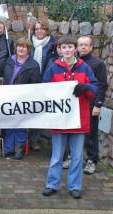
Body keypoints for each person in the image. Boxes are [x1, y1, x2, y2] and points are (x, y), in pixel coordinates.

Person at [42, 36, 98, 199]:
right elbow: (43, 88)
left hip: (79, 119)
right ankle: (52, 184)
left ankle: (75, 186)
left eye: (69, 47)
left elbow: (95, 87)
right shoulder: (54, 68)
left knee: (77, 155)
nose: (67, 50)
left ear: (75, 49)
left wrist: (85, 87)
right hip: (60, 119)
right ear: (60, 49)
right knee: (57, 155)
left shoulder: (84, 67)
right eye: (64, 47)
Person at [3, 37, 41, 160]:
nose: (21, 48)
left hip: (23, 99)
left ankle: (19, 148)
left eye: (24, 46)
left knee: (20, 124)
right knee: (9, 123)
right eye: (19, 46)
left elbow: (35, 84)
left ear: (28, 49)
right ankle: (9, 148)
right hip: (8, 97)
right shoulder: (10, 61)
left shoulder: (33, 65)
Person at [77, 36, 108, 175]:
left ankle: (91, 160)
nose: (83, 47)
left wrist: (98, 105)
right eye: (81, 45)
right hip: (75, 104)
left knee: (91, 134)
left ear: (91, 47)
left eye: (86, 45)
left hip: (91, 104)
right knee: (73, 132)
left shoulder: (98, 63)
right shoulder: (73, 62)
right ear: (77, 47)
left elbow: (102, 85)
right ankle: (73, 157)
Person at [29, 19, 57, 151]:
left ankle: (35, 139)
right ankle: (24, 140)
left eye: (42, 28)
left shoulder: (52, 45)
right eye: (37, 29)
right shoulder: (29, 43)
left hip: (45, 81)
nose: (39, 31)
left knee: (39, 112)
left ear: (47, 31)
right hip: (30, 81)